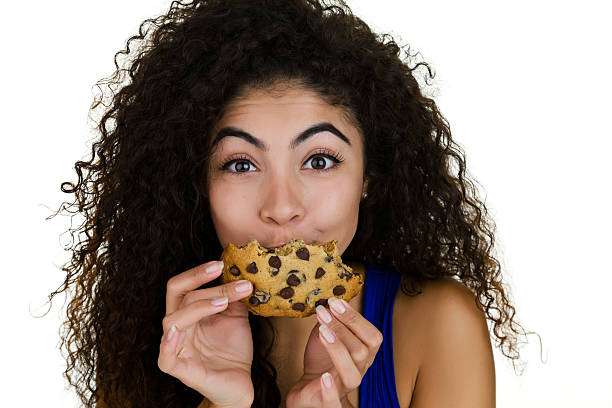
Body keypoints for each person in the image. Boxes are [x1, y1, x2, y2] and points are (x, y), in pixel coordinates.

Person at [48, 0, 532, 406]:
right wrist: (223, 402)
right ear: (194, 183)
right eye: (240, 164)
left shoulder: (437, 326)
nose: (282, 207)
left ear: (370, 175)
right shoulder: (154, 342)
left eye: (319, 160)